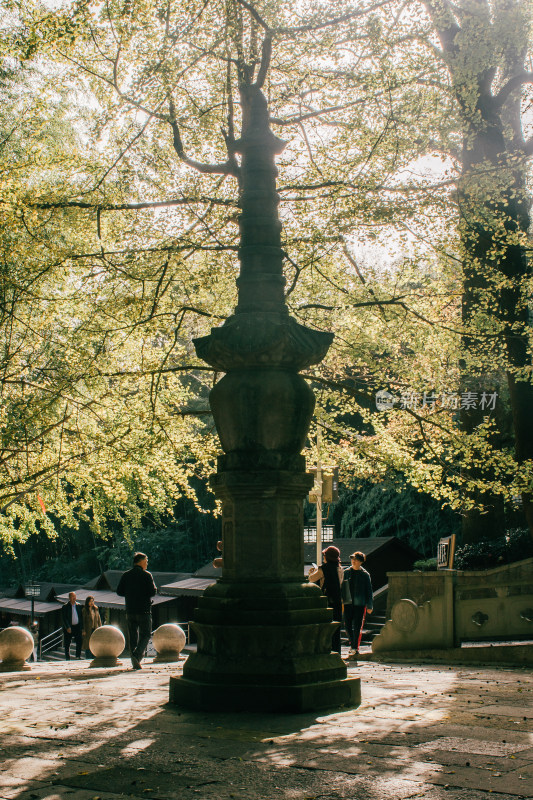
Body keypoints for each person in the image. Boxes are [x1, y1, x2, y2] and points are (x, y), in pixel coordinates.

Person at [116, 552, 157, 670]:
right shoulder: (147, 575)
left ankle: (134, 659)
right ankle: (137, 655)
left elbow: (119, 591)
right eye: (146, 561)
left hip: (130, 610)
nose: (147, 564)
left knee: (133, 636)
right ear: (140, 561)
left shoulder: (126, 575)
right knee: (146, 634)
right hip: (144, 610)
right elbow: (152, 592)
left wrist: (130, 594)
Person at [308, 545, 344, 654]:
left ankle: (326, 650)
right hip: (338, 601)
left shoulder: (323, 569)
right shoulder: (340, 568)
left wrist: (312, 572)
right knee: (336, 628)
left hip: (327, 601)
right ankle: (337, 651)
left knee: (326, 627)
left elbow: (311, 579)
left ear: (327, 557)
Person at [343, 551, 373, 655]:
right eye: (352, 559)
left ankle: (355, 647)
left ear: (360, 561)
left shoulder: (365, 575)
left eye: (355, 559)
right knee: (347, 625)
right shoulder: (346, 572)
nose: (353, 561)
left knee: (357, 626)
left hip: (360, 603)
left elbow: (369, 591)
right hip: (348, 603)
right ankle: (353, 645)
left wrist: (370, 605)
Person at [62, 591, 83, 660]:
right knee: (67, 643)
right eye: (72, 596)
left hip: (77, 626)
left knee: (79, 641)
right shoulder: (65, 606)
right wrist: (67, 627)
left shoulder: (79, 605)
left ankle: (78, 656)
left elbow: (81, 617)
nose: (74, 598)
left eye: (75, 596)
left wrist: (82, 628)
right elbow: (64, 618)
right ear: (69, 598)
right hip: (69, 627)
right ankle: (67, 657)